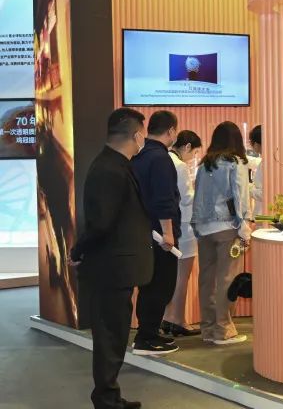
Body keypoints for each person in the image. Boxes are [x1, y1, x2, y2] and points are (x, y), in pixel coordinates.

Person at [70, 107, 153, 409]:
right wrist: (79, 250)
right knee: (109, 337)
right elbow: (101, 223)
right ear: (136, 135)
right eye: (143, 135)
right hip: (111, 268)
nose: (144, 140)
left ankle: (110, 396)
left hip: (117, 267)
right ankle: (106, 399)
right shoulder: (109, 169)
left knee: (114, 335)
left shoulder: (116, 164)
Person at [192, 121, 252, 345]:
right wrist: (244, 225)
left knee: (207, 279)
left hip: (204, 228)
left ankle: (208, 329)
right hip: (228, 227)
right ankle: (223, 330)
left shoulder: (204, 164)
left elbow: (197, 196)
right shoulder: (235, 162)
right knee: (227, 278)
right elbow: (240, 194)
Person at [130, 110, 181, 355]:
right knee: (161, 286)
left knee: (150, 285)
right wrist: (168, 233)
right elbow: (164, 199)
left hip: (144, 232)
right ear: (171, 131)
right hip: (161, 237)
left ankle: (148, 331)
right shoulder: (161, 158)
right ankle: (146, 338)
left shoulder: (139, 156)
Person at [161, 130, 203, 337]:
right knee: (182, 277)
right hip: (184, 227)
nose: (193, 157)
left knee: (170, 276)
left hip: (167, 226)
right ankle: (178, 319)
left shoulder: (163, 160)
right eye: (194, 153)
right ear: (187, 147)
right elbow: (187, 198)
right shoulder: (180, 166)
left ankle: (168, 317)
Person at [249, 125, 264, 215]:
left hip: (263, 213)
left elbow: (264, 193)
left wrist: (248, 189)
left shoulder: (266, 164)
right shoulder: (263, 161)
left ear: (256, 144)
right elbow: (251, 161)